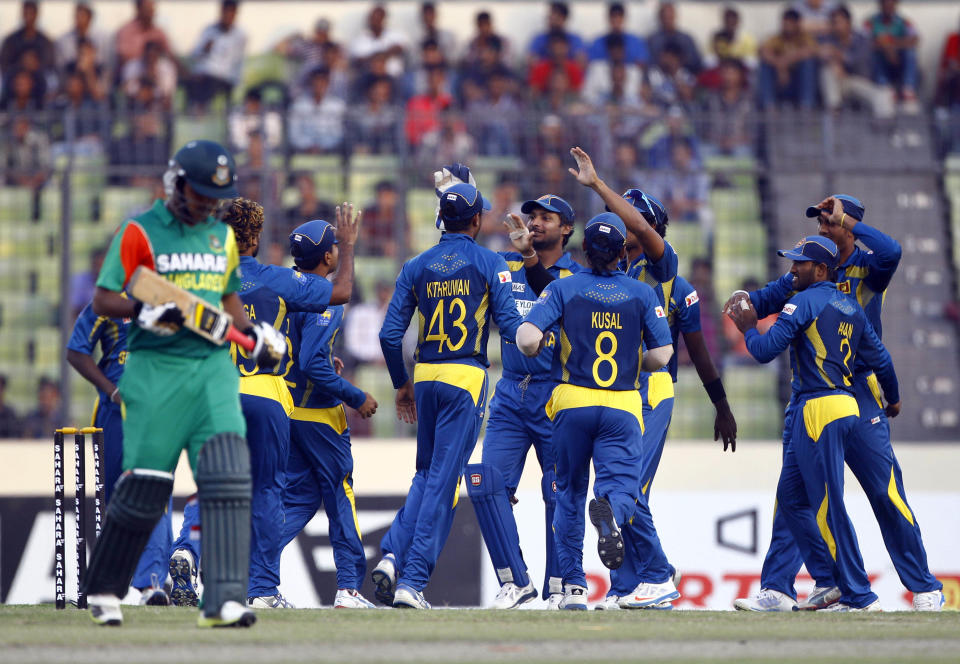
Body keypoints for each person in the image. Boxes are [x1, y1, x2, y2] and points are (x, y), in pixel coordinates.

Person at [79, 139, 285, 628]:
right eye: (202, 195)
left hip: (213, 370)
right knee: (148, 484)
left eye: (217, 197)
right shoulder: (139, 232)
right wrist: (143, 309)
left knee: (229, 475)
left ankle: (223, 599)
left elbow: (229, 306)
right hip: (157, 372)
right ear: (177, 185)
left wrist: (255, 336)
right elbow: (105, 299)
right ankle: (105, 587)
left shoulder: (221, 238)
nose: (211, 205)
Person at [729, 195, 944, 612]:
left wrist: (890, 395)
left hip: (859, 389)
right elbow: (767, 298)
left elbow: (893, 251)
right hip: (811, 392)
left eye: (830, 220)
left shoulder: (869, 266)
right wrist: (742, 301)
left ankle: (924, 587)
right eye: (821, 220)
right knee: (793, 492)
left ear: (851, 224)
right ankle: (778, 587)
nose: (823, 226)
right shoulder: (806, 272)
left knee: (885, 491)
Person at [373, 181, 523, 609]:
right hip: (465, 376)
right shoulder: (489, 261)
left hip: (425, 375)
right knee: (443, 482)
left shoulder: (416, 265)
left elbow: (388, 336)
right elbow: (510, 325)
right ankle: (412, 582)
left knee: (426, 476)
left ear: (443, 219)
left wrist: (402, 384)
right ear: (476, 221)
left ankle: (392, 556)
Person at [516, 212, 674, 610]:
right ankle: (612, 515)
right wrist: (637, 362)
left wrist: (539, 346)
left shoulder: (564, 288)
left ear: (583, 249)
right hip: (622, 404)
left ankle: (572, 589)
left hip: (572, 402)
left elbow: (527, 337)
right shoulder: (642, 293)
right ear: (622, 252)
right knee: (621, 488)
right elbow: (663, 353)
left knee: (568, 493)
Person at [597, 195, 737, 611]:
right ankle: (626, 586)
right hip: (614, 389)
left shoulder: (670, 276)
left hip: (653, 388)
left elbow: (699, 352)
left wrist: (723, 405)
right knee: (613, 485)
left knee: (627, 485)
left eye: (631, 215)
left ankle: (657, 576)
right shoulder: (612, 269)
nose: (623, 222)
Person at [220, 198, 360, 609]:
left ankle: (197, 559)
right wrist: (348, 244)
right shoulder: (276, 278)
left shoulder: (207, 282)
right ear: (256, 238)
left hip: (217, 397)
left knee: (219, 489)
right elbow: (342, 292)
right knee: (268, 491)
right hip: (266, 397)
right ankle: (262, 590)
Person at [466, 192, 584, 610]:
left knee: (560, 493)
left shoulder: (577, 277)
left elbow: (556, 299)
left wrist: (530, 257)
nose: (535, 221)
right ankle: (515, 581)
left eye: (546, 217)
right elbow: (465, 257)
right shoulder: (504, 263)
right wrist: (458, 196)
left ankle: (559, 586)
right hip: (511, 390)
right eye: (531, 215)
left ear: (566, 228)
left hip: (556, 393)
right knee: (483, 482)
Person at [279, 218, 379, 609]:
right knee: (340, 494)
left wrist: (322, 358)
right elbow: (311, 363)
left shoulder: (284, 284)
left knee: (298, 498)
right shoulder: (325, 293)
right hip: (318, 415)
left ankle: (250, 569)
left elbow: (299, 349)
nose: (340, 248)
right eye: (336, 244)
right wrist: (355, 396)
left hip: (285, 409)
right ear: (327, 257)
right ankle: (350, 588)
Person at [67, 301, 174, 605]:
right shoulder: (107, 301)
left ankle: (151, 584)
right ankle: (109, 583)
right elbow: (75, 352)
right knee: (117, 496)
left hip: (160, 410)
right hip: (116, 413)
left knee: (156, 491)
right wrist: (112, 391)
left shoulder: (171, 292)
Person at [820, 5, 894, 119]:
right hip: (839, 83)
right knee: (826, 71)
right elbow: (820, 55)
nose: (836, 26)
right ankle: (834, 111)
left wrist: (839, 56)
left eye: (839, 22)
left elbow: (858, 60)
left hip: (860, 81)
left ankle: (884, 127)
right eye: (833, 23)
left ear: (849, 22)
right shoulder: (828, 38)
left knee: (883, 94)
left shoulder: (862, 39)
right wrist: (833, 63)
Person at [187, 0, 246, 110]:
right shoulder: (209, 30)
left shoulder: (239, 36)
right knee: (191, 80)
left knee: (209, 82)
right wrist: (204, 49)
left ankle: (201, 112)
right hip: (203, 74)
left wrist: (236, 84)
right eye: (225, 12)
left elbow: (238, 64)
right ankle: (192, 116)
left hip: (224, 78)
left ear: (235, 14)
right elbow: (194, 56)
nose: (227, 16)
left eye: (231, 12)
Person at [758, 9, 818, 110]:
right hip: (780, 82)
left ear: (797, 24)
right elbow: (763, 51)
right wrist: (780, 65)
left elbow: (811, 50)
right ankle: (769, 106)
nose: (786, 26)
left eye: (790, 23)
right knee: (765, 65)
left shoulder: (805, 38)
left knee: (808, 63)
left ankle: (806, 106)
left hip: (798, 83)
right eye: (785, 22)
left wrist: (785, 61)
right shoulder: (777, 38)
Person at [864, 0, 919, 111]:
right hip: (880, 62)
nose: (888, 5)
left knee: (910, 52)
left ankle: (908, 88)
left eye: (891, 2)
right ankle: (884, 86)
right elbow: (863, 42)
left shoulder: (904, 22)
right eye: (885, 2)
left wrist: (892, 45)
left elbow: (914, 39)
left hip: (898, 61)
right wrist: (884, 47)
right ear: (880, 4)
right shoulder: (870, 22)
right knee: (874, 54)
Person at [0, 1, 55, 80]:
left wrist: (35, 65)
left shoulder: (45, 42)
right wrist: (21, 65)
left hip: (39, 83)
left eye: (31, 13)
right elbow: (4, 65)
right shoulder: (10, 41)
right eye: (26, 13)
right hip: (14, 84)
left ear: (36, 14)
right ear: (22, 14)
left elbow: (49, 66)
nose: (29, 17)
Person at [647, 2, 703, 74]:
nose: (667, 20)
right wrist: (663, 61)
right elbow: (648, 63)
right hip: (659, 77)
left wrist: (680, 61)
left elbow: (697, 62)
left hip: (685, 77)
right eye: (664, 17)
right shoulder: (653, 40)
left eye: (670, 17)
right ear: (660, 18)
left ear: (675, 16)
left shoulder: (686, 39)